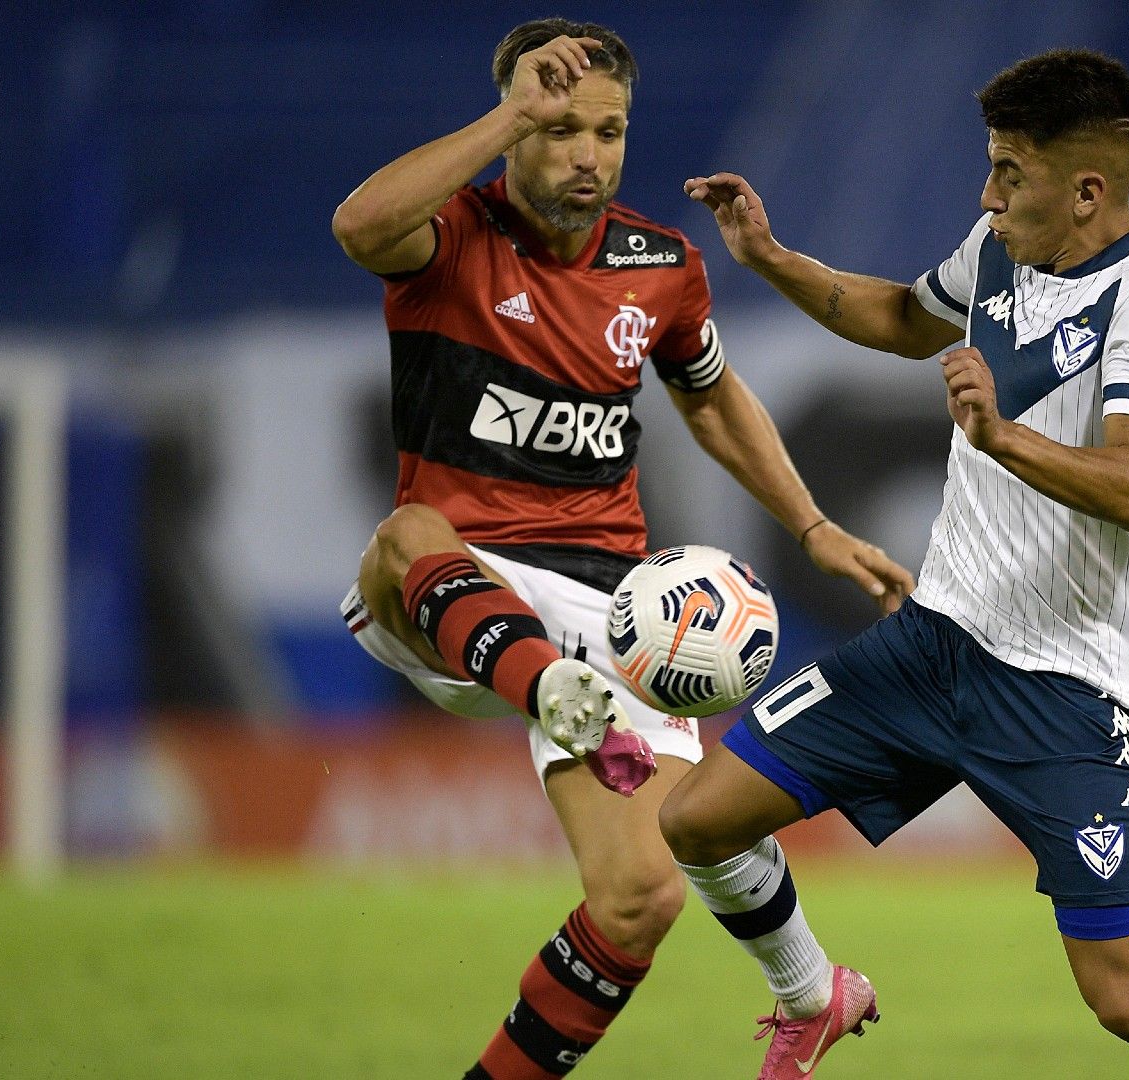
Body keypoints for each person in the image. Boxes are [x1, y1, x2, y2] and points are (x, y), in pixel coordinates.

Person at [660, 49, 1129, 1079]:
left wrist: (1003, 438)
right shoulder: (1000, 247)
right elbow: (904, 318)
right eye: (989, 168)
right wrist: (770, 257)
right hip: (934, 641)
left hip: (1062, 688)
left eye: (1009, 174)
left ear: (1087, 191)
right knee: (698, 819)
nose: (987, 196)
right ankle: (812, 997)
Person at [328, 19, 914, 1079]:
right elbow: (361, 223)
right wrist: (513, 109)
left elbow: (715, 402)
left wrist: (815, 527)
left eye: (608, 130)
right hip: (457, 585)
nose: (586, 154)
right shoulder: (448, 235)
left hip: (608, 611)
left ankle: (811, 992)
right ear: (513, 132)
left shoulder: (662, 267)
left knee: (642, 893)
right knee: (402, 535)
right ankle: (547, 687)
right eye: (558, 130)